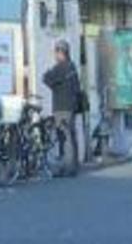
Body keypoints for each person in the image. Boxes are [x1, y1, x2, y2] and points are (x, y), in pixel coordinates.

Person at [43, 40, 81, 177]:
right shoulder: (72, 67)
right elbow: (77, 88)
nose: (55, 55)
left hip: (61, 107)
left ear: (60, 52)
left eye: (56, 52)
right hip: (71, 107)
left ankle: (67, 167)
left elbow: (46, 78)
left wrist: (50, 75)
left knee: (64, 138)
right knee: (71, 136)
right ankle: (73, 165)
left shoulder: (60, 68)